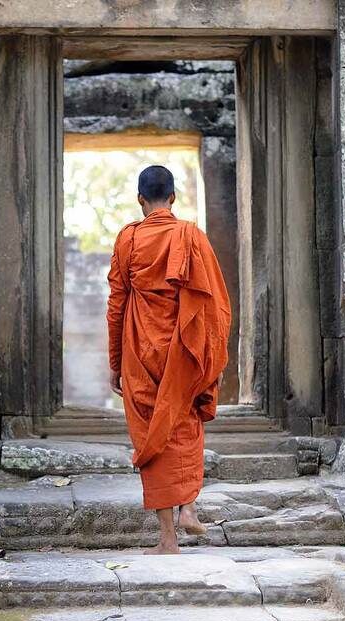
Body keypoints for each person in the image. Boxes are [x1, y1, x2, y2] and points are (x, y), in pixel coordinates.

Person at [107, 165, 232, 555]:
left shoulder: (128, 239)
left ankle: (167, 539)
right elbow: (215, 304)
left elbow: (116, 304)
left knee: (152, 433)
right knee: (185, 420)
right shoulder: (191, 236)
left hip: (141, 351)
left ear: (140, 199)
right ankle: (189, 508)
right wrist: (207, 354)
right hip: (184, 348)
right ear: (173, 198)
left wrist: (115, 361)